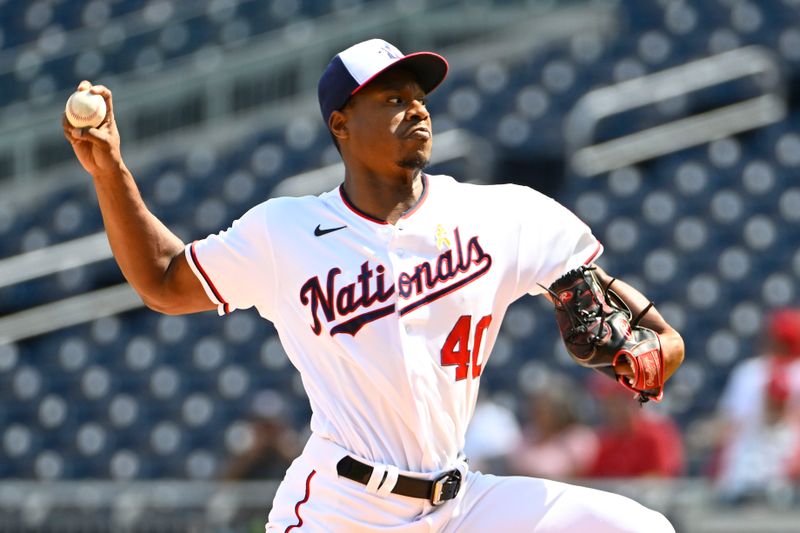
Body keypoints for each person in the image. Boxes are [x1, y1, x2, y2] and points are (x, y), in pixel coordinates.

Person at [64, 38, 684, 532]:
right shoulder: (287, 232)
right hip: (343, 508)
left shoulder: (501, 215)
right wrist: (110, 170)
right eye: (390, 98)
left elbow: (650, 331)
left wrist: (648, 352)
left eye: (419, 96)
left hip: (461, 503)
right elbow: (164, 282)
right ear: (341, 125)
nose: (415, 107)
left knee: (638, 527)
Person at [583, 374, 684, 479]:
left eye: (620, 400)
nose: (614, 409)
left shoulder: (655, 434)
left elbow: (661, 478)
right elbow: (595, 479)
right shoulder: (605, 439)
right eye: (609, 402)